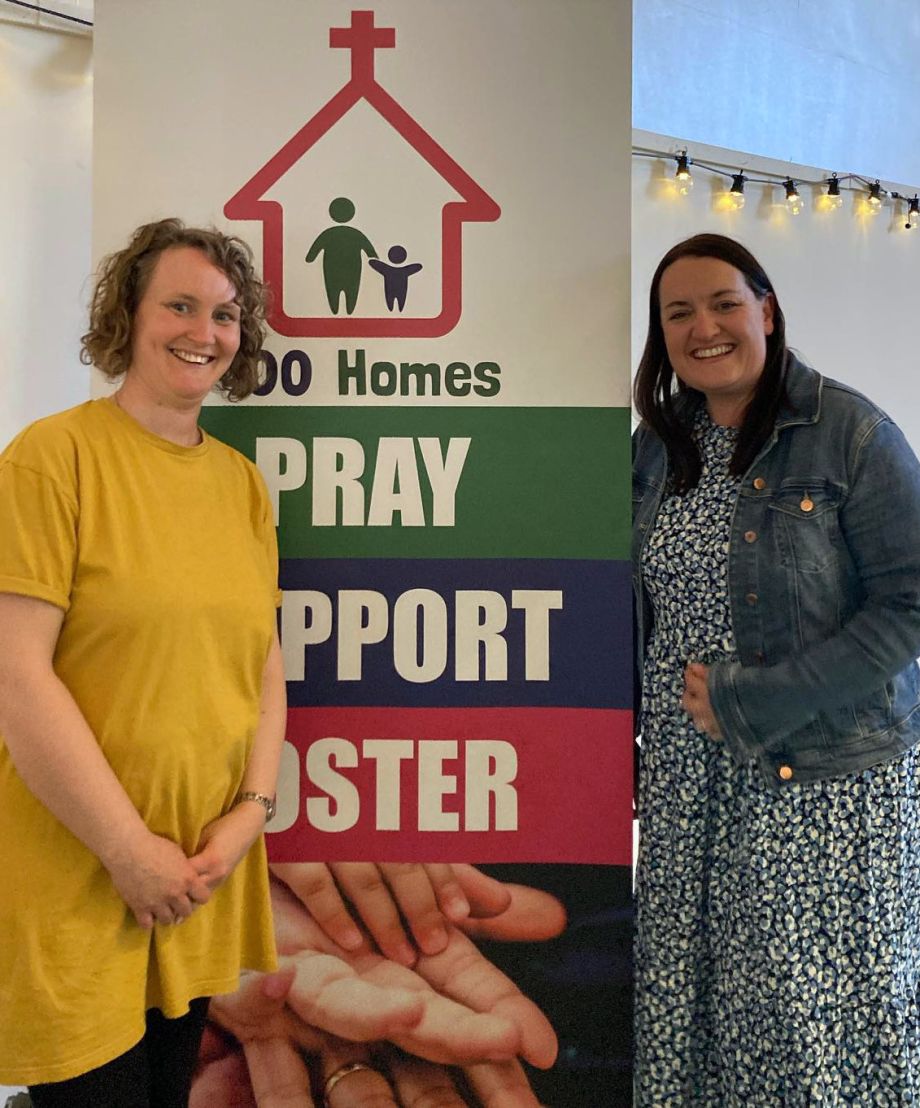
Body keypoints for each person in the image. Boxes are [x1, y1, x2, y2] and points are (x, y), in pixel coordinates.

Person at [0, 219, 287, 1105]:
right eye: (180, 305)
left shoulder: (240, 483)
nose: (205, 332)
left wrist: (249, 816)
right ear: (128, 314)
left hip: (198, 881)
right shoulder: (53, 458)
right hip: (86, 880)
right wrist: (129, 850)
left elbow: (262, 664)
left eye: (226, 314)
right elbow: (17, 676)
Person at [632, 233, 920, 1104]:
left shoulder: (851, 432)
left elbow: (910, 604)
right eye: (678, 312)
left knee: (814, 1011)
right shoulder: (657, 447)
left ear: (767, 310)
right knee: (695, 1000)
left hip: (819, 773)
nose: (704, 326)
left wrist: (753, 700)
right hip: (687, 780)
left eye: (725, 302)